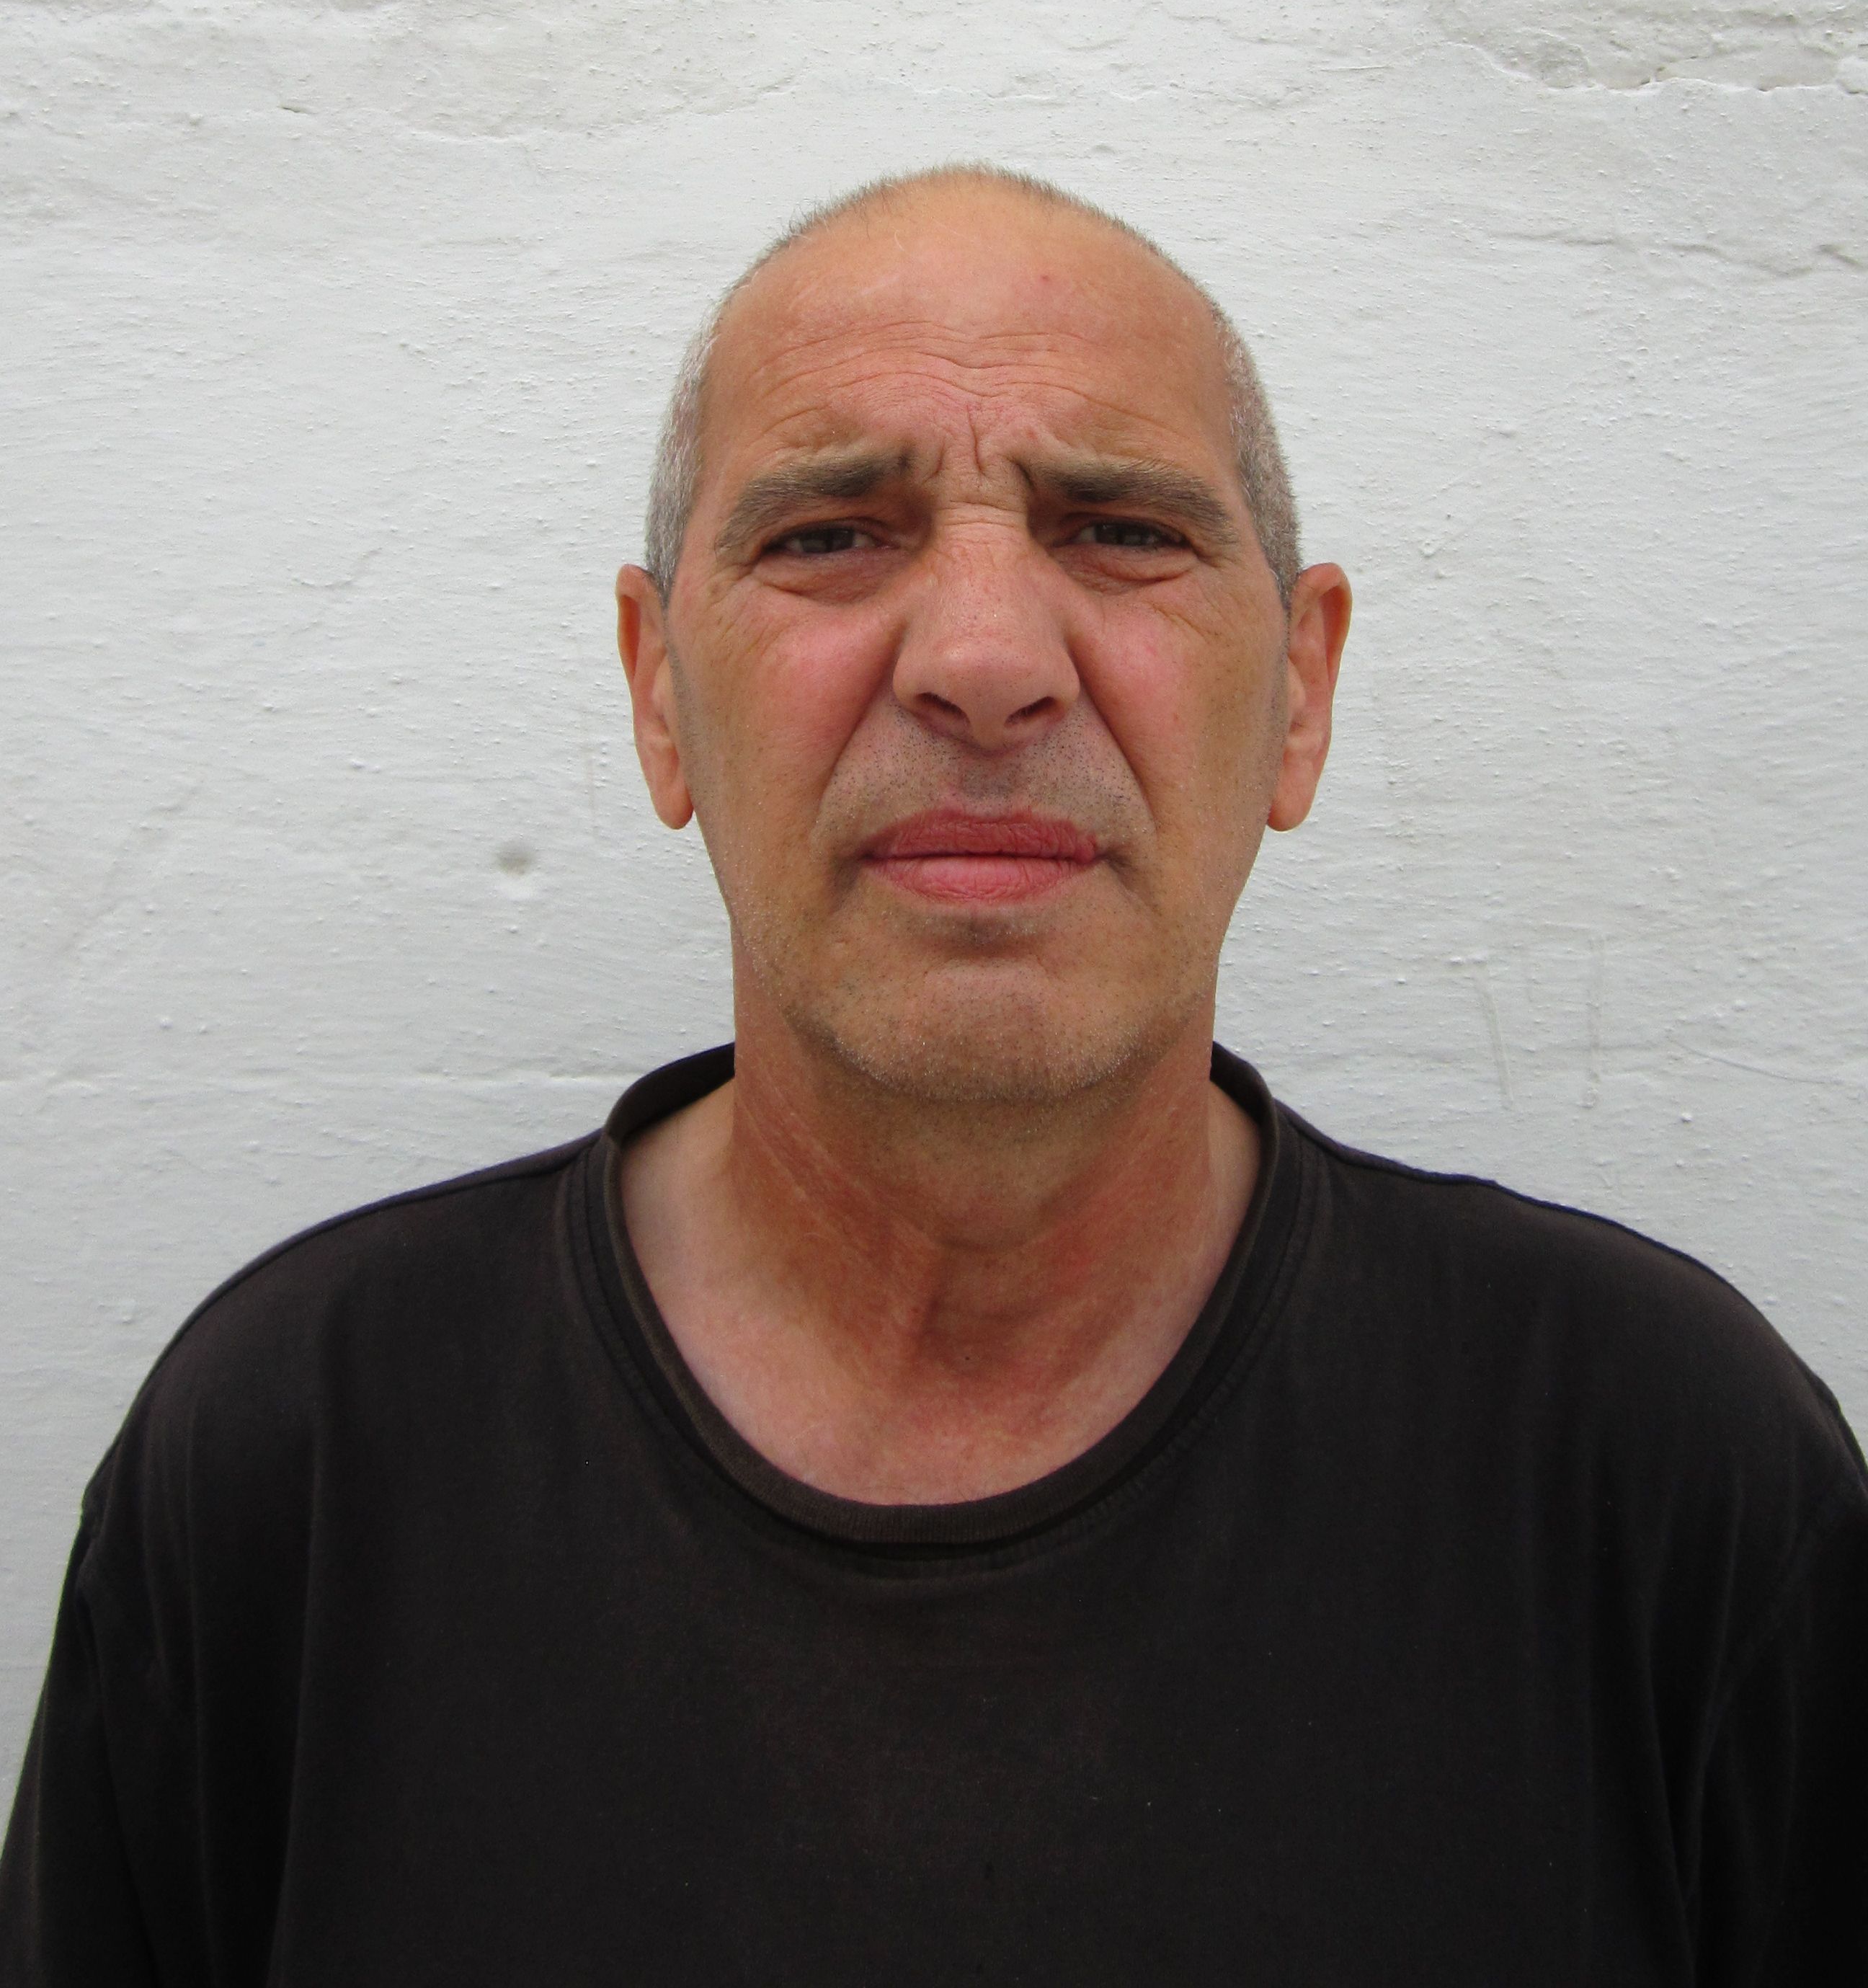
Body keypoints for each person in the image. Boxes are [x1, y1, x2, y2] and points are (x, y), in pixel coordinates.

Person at [3, 164, 1863, 1986]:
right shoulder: (298, 1470)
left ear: (1300, 694)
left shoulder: (1665, 1481)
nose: (983, 662)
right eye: (830, 535)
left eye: (1120, 530)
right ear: (659, 693)